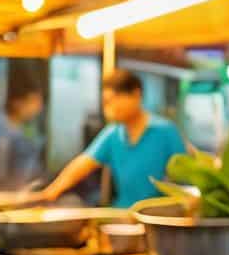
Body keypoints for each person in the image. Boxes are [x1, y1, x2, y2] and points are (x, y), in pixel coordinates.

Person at [41, 70, 186, 207]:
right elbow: (83, 163)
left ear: (136, 95)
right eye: (106, 102)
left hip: (157, 217)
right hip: (123, 213)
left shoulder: (166, 130)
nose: (109, 108)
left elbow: (185, 177)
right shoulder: (113, 133)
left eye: (113, 100)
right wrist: (51, 192)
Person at [0, 84, 44, 190]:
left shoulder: (29, 126)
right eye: (33, 102)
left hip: (28, 189)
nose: (38, 108)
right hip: (4, 191)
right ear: (18, 102)